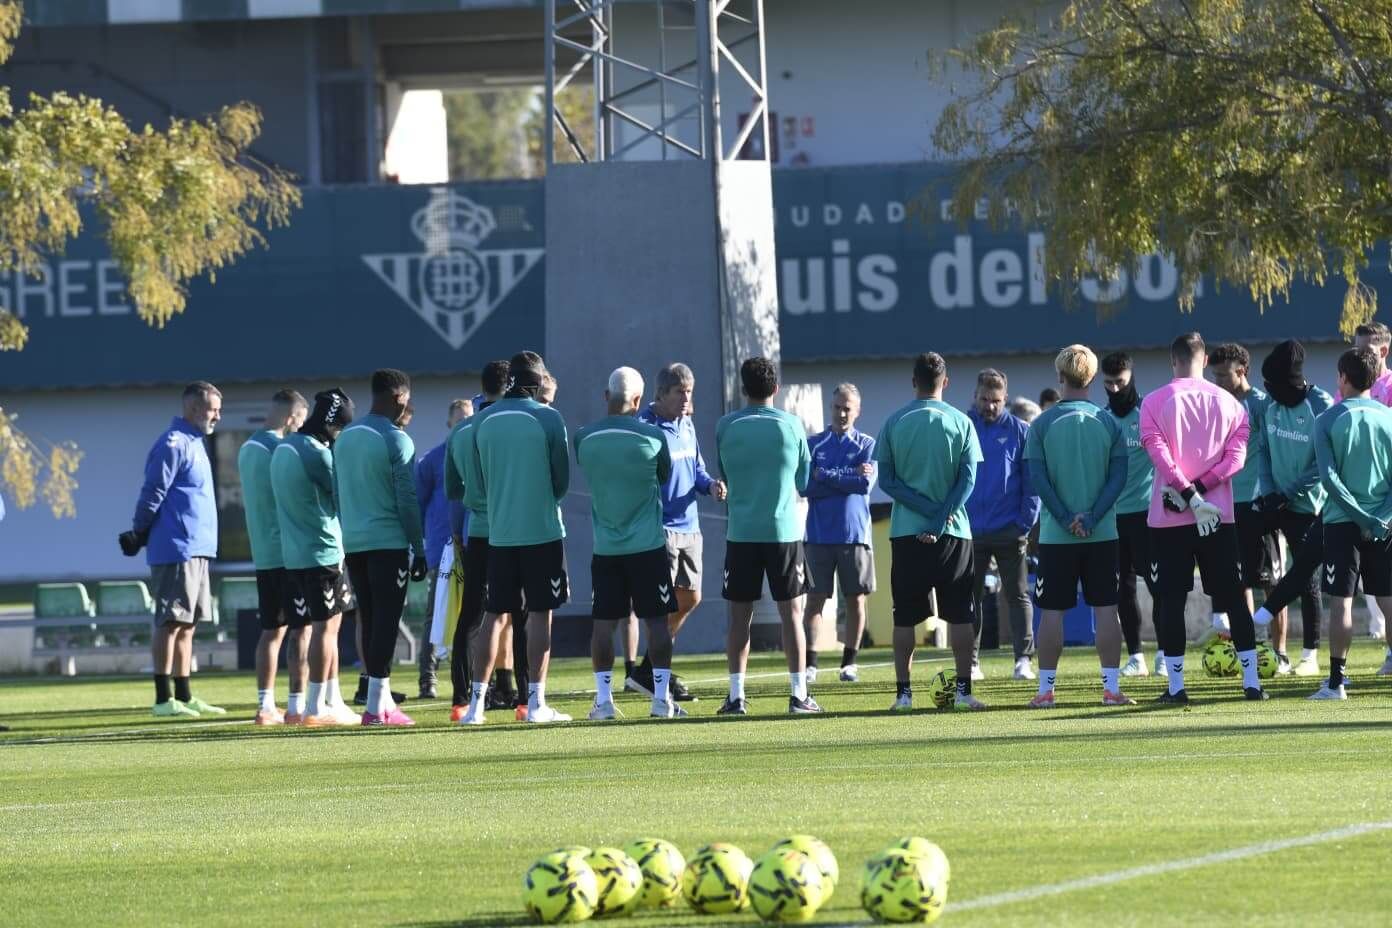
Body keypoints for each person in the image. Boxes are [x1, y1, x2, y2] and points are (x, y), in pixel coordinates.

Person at [1141, 332, 1266, 704]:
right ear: (1206, 359)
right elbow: (1236, 461)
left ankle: (1177, 688)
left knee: (1172, 600)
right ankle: (1252, 683)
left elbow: (1159, 455)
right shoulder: (1230, 404)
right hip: (1218, 518)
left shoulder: (1154, 402)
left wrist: (1187, 494)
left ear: (1172, 360)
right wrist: (1200, 491)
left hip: (1171, 517)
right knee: (1232, 596)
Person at [460, 351, 572, 725]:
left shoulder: (481, 421)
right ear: (538, 382)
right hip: (541, 530)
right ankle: (535, 703)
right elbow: (561, 482)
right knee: (541, 614)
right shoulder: (549, 418)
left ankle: (475, 706)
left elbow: (474, 489)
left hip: (500, 533)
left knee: (494, 615)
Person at [876, 353, 984, 711]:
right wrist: (939, 517)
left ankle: (903, 695)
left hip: (907, 531)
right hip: (953, 531)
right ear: (946, 382)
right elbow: (968, 479)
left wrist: (922, 510)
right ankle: (965, 692)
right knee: (960, 614)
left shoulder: (894, 422)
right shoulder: (961, 421)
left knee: (904, 616)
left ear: (913, 381)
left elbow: (887, 480)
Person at [1025, 346, 1132, 707]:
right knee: (1106, 609)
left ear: (1060, 377)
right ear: (1092, 378)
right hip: (1102, 533)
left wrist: (1062, 517)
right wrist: (1093, 516)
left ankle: (1045, 691)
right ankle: (1111, 689)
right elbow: (1119, 477)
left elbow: (1039, 480)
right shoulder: (1110, 423)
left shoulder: (1041, 424)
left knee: (1051, 611)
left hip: (1057, 536)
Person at [575, 367, 684, 719]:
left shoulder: (584, 438)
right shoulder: (653, 438)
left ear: (607, 397)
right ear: (638, 401)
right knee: (656, 623)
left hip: (606, 549)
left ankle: (604, 701)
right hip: (648, 547)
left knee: (604, 623)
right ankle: (660, 699)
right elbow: (664, 476)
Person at [715, 357, 817, 715]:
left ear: (743, 389)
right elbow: (804, 483)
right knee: (792, 614)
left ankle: (736, 696)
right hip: (783, 531)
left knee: (739, 617)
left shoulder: (725, 426)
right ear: (776, 389)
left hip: (741, 532)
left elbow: (725, 472)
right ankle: (798, 694)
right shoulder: (792, 426)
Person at [120, 381, 227, 719]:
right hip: (176, 547)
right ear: (195, 409)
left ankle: (184, 693)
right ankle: (163, 698)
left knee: (188, 624)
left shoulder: (197, 443)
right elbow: (152, 492)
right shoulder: (174, 443)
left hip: (199, 548)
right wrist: (138, 532)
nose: (218, 416)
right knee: (169, 621)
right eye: (213, 409)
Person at [335, 369, 427, 727]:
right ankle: (375, 708)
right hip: (387, 542)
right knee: (386, 623)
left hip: (355, 542)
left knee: (370, 620)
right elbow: (407, 500)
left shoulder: (344, 438)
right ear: (399, 397)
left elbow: (337, 492)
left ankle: (382, 700)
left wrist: (349, 533)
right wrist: (418, 548)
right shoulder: (396, 439)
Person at [630, 363, 727, 700]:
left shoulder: (686, 423)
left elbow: (697, 469)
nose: (687, 398)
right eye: (680, 392)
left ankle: (647, 668)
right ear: (661, 394)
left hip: (691, 527)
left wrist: (711, 485)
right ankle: (659, 674)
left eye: (690, 391)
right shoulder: (645, 426)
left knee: (691, 598)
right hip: (661, 529)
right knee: (659, 605)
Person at [270, 389, 360, 726]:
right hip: (322, 551)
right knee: (326, 628)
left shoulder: (284, 448)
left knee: (302, 628)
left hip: (292, 554)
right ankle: (315, 707)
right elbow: (341, 499)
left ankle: (309, 704)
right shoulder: (316, 453)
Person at [1310, 347, 1392, 699]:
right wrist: (1380, 518)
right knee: (1389, 601)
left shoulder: (1327, 420)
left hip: (1344, 522)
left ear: (1343, 377)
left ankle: (1336, 682)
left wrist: (1360, 517)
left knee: (1341, 601)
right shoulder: (1388, 418)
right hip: (1385, 524)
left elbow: (1329, 480)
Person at [1249, 341, 1334, 676]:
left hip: (1309, 506)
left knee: (1308, 579)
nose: (1268, 391)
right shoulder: (1269, 405)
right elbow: (1264, 452)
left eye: (1273, 385)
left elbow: (1322, 464)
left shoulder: (1320, 404)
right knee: (1258, 567)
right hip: (1276, 501)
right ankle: (1250, 635)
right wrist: (1270, 493)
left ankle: (1310, 654)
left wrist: (1288, 493)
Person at [446, 361, 523, 722]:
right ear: (508, 385)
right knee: (522, 613)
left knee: (472, 616)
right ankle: (527, 697)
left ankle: (461, 699)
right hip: (510, 530)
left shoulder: (461, 432)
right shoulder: (511, 426)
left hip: (477, 530)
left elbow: (452, 489)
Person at [1208, 343, 1287, 669]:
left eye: (1223, 375)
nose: (1218, 381)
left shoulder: (1262, 405)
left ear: (1242, 371)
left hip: (1259, 504)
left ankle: (1279, 652)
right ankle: (1249, 651)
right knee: (1237, 581)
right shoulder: (1216, 405)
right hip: (1227, 505)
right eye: (1214, 376)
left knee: (1272, 583)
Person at [237, 389, 310, 725]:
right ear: (292, 417)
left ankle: (265, 706)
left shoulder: (247, 448)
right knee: (301, 629)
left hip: (263, 554)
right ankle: (297, 705)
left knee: (272, 630)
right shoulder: (279, 450)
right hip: (289, 553)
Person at [965, 368, 1038, 682]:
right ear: (976, 396)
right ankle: (970, 661)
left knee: (1017, 595)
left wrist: (1024, 522)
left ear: (1005, 399)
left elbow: (1031, 482)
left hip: (1010, 527)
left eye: (995, 400)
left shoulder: (1021, 431)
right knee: (971, 597)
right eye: (984, 399)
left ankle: (1023, 659)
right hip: (970, 530)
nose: (989, 406)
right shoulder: (964, 426)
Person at [802, 384, 877, 683]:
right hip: (819, 535)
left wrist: (828, 476)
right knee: (815, 599)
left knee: (856, 599)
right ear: (830, 408)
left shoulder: (867, 444)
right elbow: (806, 486)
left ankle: (850, 663)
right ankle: (810, 664)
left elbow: (864, 486)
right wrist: (848, 476)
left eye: (848, 408)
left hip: (854, 534)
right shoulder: (814, 444)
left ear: (857, 411)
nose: (842, 413)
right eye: (837, 407)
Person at [1100, 353, 1157, 677]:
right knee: (1123, 589)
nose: (1114, 388)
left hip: (1148, 514)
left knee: (1160, 586)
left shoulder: (1147, 412)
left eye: (1119, 382)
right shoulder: (1103, 418)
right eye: (1108, 383)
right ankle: (1136, 656)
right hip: (1114, 517)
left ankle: (1166, 653)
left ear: (1130, 377)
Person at [414, 398, 472, 699]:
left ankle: (468, 678)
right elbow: (419, 504)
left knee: (473, 614)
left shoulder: (477, 452)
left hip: (473, 541)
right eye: (459, 419)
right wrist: (426, 543)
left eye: (468, 418)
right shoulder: (433, 460)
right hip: (443, 547)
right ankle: (428, 679)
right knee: (435, 614)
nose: (463, 423)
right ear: (449, 422)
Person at [1349, 322, 1392, 667]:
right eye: (1357, 350)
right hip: (1356, 502)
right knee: (1374, 587)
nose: (1361, 357)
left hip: (1386, 499)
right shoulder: (1348, 390)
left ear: (1384, 352)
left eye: (1368, 350)